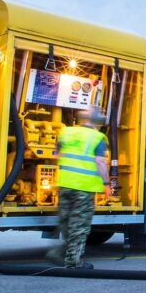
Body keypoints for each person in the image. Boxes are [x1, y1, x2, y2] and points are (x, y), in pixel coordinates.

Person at [55, 107, 111, 269]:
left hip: (65, 184)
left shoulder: (66, 132)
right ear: (97, 123)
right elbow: (100, 162)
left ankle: (63, 252)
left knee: (66, 221)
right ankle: (73, 262)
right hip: (83, 188)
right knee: (80, 225)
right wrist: (106, 184)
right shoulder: (97, 137)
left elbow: (57, 155)